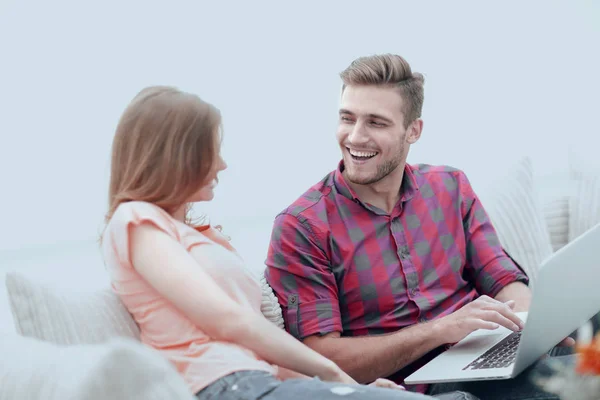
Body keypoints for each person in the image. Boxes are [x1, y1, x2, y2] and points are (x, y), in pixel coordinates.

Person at [100, 86, 473, 400]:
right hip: (225, 386)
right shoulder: (135, 220)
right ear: (176, 158)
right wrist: (335, 374)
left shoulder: (201, 236)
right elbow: (229, 322)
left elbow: (256, 350)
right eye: (210, 151)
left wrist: (350, 388)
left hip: (259, 382)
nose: (222, 165)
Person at [264, 54, 575, 400]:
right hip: (420, 386)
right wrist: (439, 331)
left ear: (413, 130)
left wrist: (530, 330)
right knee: (573, 382)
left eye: (376, 123)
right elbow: (319, 360)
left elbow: (502, 279)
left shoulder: (450, 187)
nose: (355, 136)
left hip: (485, 357)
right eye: (347, 118)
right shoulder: (302, 227)